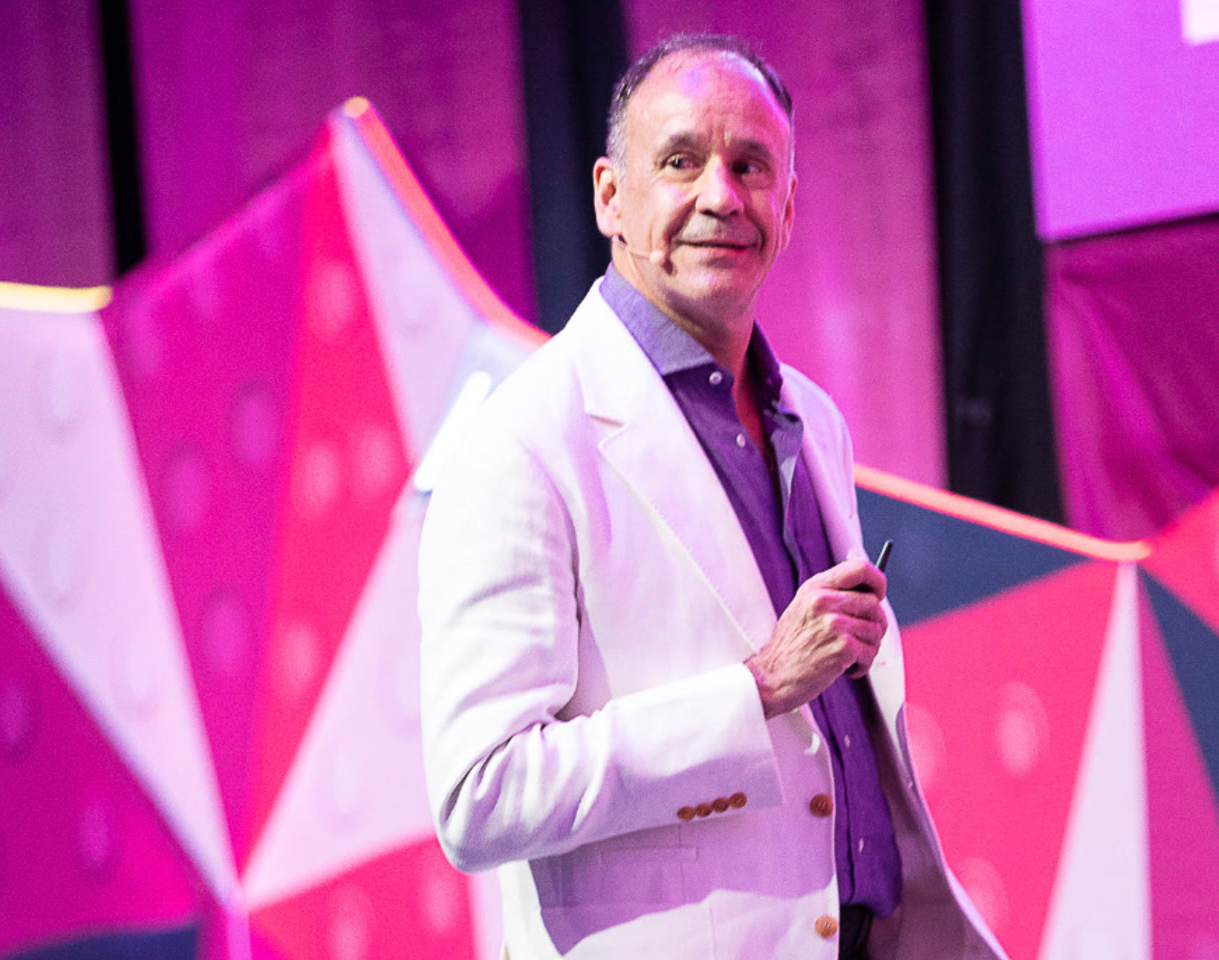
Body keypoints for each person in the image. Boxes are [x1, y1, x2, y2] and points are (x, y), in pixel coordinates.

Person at [419, 33, 1009, 960]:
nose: (721, 197)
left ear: (788, 203)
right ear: (611, 196)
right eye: (682, 161)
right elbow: (480, 796)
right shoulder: (521, 441)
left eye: (751, 165)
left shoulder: (809, 414)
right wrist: (759, 687)